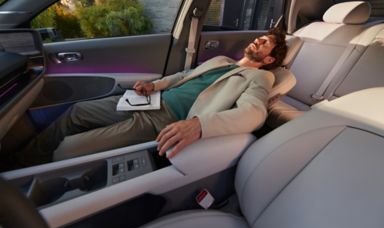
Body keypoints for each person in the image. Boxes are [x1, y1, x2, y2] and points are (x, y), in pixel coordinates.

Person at [15, 28, 287, 166]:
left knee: (69, 149)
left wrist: (200, 126)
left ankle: (24, 182)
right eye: (260, 37)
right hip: (150, 100)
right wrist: (154, 85)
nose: (258, 41)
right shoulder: (221, 59)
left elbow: (255, 113)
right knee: (77, 112)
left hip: (164, 120)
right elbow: (183, 76)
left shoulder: (261, 77)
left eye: (266, 43)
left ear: (270, 59)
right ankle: (21, 160)